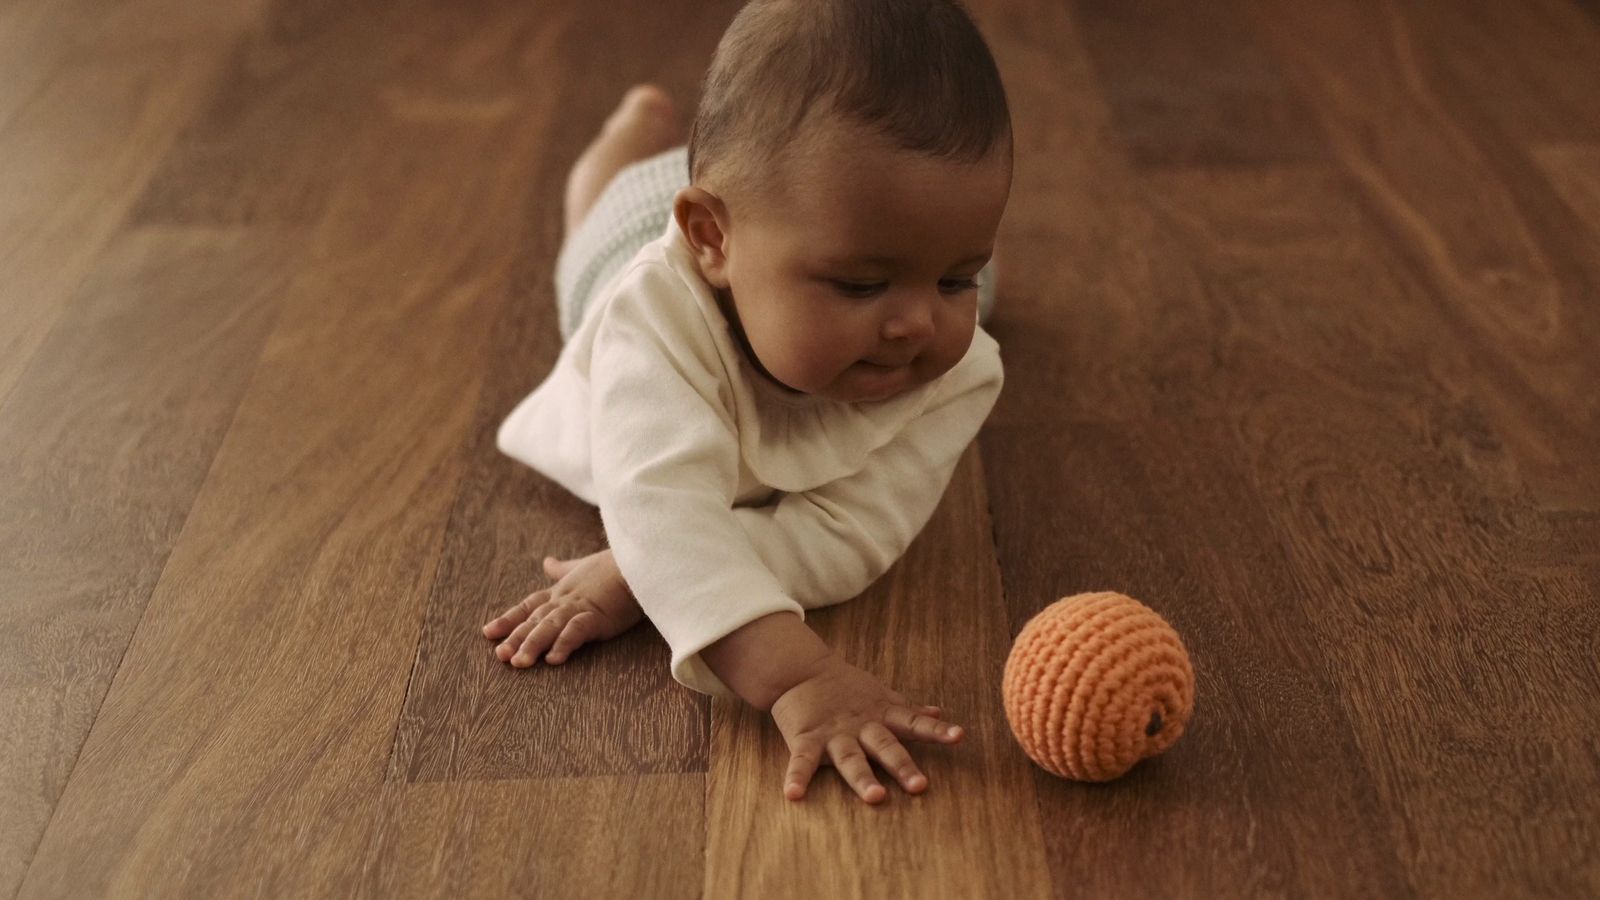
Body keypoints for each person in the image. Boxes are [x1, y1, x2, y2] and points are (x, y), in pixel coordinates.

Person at [483, 0, 1011, 806]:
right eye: (862, 284)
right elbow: (660, 507)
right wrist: (796, 673)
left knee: (974, 283)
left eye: (954, 278)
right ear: (712, 240)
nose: (915, 323)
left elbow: (851, 530)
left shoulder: (954, 363)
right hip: (628, 243)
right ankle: (617, 147)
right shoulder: (649, 329)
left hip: (776, 206)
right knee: (588, 233)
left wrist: (636, 574)